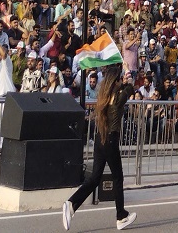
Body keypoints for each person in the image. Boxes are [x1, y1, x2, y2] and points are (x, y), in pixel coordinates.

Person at [63, 65, 137, 231]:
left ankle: (72, 203)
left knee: (95, 178)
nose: (121, 82)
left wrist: (123, 78)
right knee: (118, 178)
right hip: (110, 140)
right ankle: (121, 216)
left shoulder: (104, 96)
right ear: (115, 81)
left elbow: (123, 88)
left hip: (100, 139)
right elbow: (130, 88)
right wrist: (129, 77)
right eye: (119, 80)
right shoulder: (118, 98)